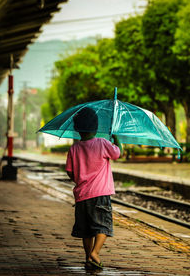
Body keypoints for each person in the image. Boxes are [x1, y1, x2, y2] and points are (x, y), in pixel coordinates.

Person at [65, 107, 123, 269]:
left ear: (77, 129)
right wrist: (116, 137)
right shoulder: (103, 143)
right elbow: (119, 154)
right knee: (102, 226)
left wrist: (80, 178)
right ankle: (95, 253)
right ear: (96, 128)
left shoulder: (74, 148)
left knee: (86, 230)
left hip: (82, 196)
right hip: (101, 194)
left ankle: (88, 257)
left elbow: (70, 172)